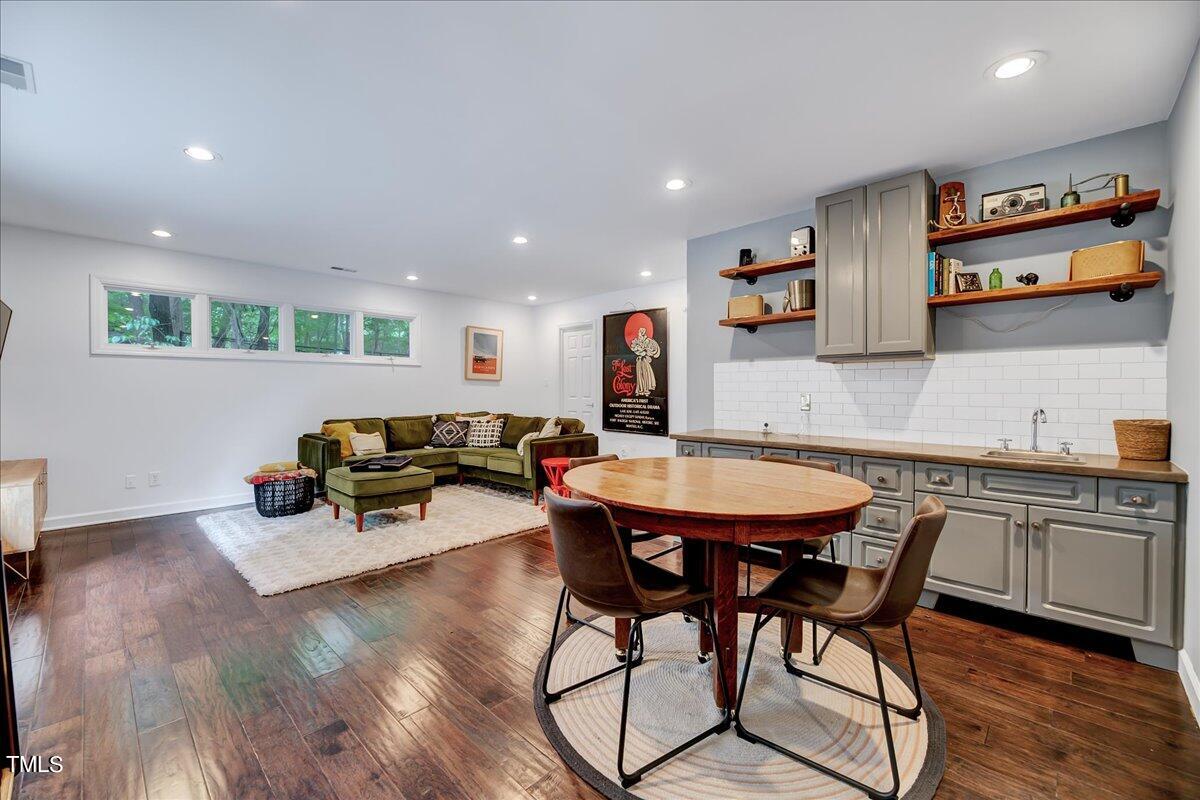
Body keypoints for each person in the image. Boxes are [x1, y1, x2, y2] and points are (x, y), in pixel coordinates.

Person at [629, 326, 660, 397]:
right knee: (639, 375)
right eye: (639, 332)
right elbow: (633, 347)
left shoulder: (647, 341)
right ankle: (640, 390)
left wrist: (645, 351)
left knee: (646, 374)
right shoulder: (637, 341)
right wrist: (639, 350)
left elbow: (651, 350)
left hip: (645, 360)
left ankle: (646, 390)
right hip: (640, 360)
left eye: (641, 332)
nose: (640, 333)